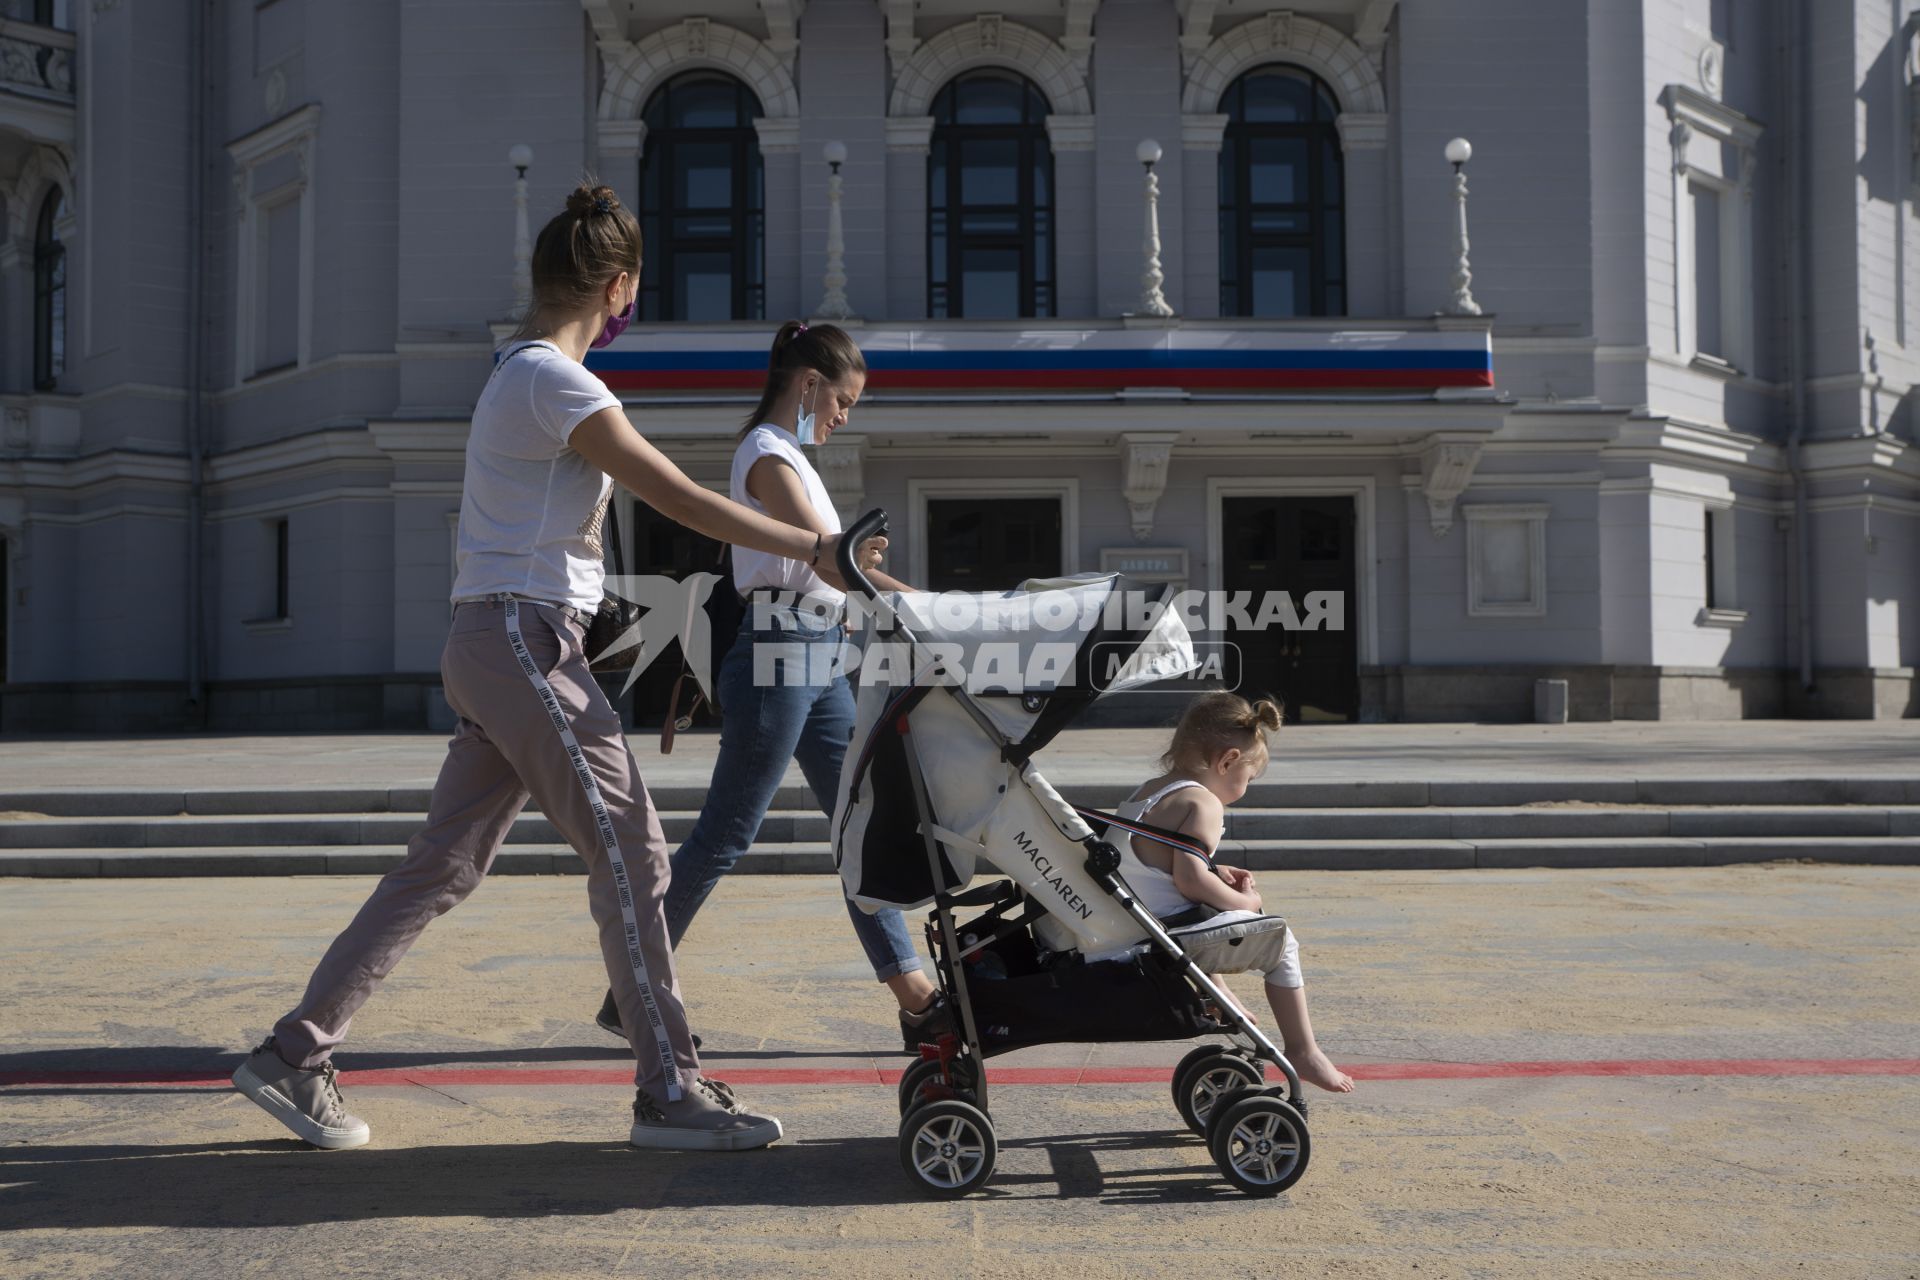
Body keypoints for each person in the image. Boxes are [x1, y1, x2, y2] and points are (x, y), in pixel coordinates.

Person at [229, 185, 884, 1153]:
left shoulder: (520, 374)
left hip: (505, 638)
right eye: (633, 294)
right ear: (618, 286)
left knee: (441, 866)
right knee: (635, 849)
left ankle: (294, 1053)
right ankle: (669, 1087)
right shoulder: (558, 381)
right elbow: (674, 491)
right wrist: (817, 549)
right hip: (520, 640)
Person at [595, 321, 948, 1052]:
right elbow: (826, 563)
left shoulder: (793, 459)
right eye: (843, 399)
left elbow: (831, 564)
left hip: (820, 650)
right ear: (808, 383)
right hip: (782, 648)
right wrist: (928, 606)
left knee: (860, 824)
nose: (845, 416)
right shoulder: (765, 453)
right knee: (727, 833)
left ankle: (915, 995)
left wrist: (864, 573)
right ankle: (631, 992)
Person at [1111, 692, 1354, 1093]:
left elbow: (1154, 862)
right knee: (1280, 939)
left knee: (1214, 919)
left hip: (1136, 919)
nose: (1246, 786)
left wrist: (1214, 869)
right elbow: (1190, 883)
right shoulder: (1203, 803)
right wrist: (1249, 902)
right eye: (1248, 778)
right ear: (1227, 762)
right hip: (1161, 932)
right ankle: (1303, 1049)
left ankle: (1219, 995)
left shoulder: (1150, 789)